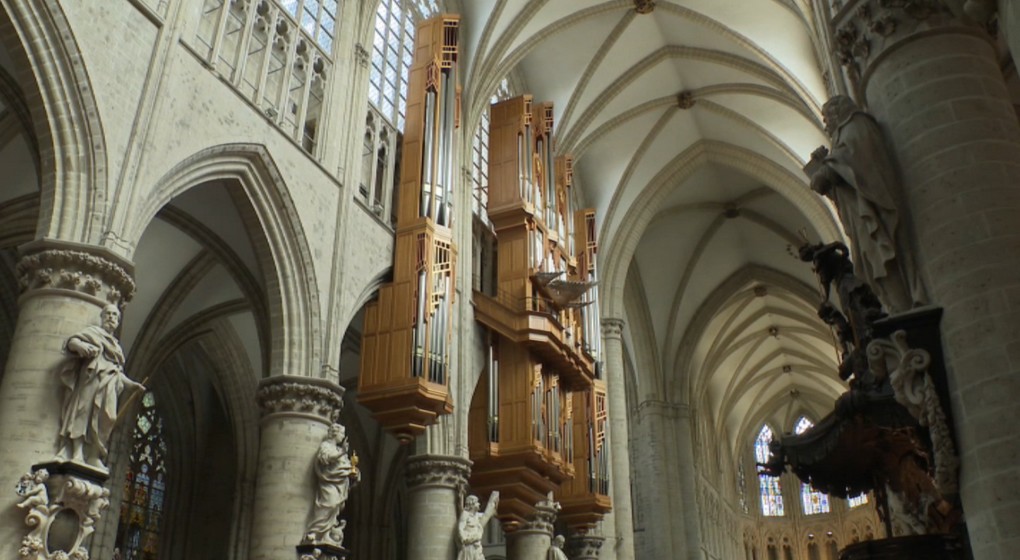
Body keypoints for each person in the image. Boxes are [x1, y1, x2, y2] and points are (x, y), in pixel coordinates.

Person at [808, 95, 925, 314]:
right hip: (860, 214)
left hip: (871, 213)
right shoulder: (846, 135)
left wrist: (824, 167)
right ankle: (896, 307)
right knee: (874, 264)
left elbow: (843, 167)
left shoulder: (856, 127)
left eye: (826, 118)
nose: (825, 124)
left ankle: (903, 307)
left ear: (837, 112)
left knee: (882, 259)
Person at [57, 305, 145, 468]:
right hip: (91, 380)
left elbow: (118, 372)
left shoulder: (117, 347)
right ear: (102, 317)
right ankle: (77, 452)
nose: (111, 317)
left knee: (108, 418)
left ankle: (93, 454)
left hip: (109, 385)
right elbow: (72, 341)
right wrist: (80, 346)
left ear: (118, 321)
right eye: (108, 314)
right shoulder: (94, 333)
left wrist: (133, 385)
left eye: (114, 315)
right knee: (82, 413)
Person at [304, 423, 360, 545]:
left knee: (334, 507)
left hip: (340, 485)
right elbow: (324, 458)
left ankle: (325, 534)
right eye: (342, 434)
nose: (343, 436)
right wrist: (341, 453)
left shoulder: (340, 451)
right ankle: (315, 531)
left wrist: (354, 474)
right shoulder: (326, 446)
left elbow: (346, 466)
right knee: (329, 504)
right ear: (335, 433)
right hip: (329, 483)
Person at [457, 491, 499, 560]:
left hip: (477, 547)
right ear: (472, 504)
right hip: (469, 546)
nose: (479, 504)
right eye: (477, 502)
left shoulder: (477, 516)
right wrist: (466, 539)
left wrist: (494, 501)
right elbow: (460, 529)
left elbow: (487, 514)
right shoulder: (465, 515)